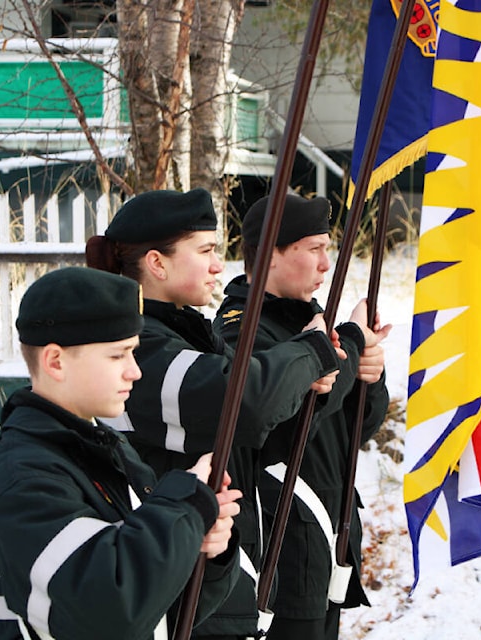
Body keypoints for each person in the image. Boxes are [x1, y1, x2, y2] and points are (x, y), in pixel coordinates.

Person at [85, 188, 360, 640]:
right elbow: (246, 402)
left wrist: (318, 375)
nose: (218, 265)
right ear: (157, 263)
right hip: (182, 597)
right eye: (207, 250)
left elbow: (266, 437)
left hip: (217, 588)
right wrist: (310, 354)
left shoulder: (183, 334)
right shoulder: (144, 348)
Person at [0, 266, 243, 640]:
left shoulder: (108, 450)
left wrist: (204, 553)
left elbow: (157, 611)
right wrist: (187, 504)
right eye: (119, 356)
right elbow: (109, 610)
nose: (135, 371)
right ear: (55, 362)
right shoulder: (21, 480)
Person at [214, 193, 390, 640]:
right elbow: (287, 420)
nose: (326, 264)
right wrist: (349, 342)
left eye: (328, 248)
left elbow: (351, 432)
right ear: (271, 252)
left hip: (325, 539)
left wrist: (369, 378)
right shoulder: (243, 328)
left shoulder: (308, 318)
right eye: (314, 248)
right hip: (282, 551)